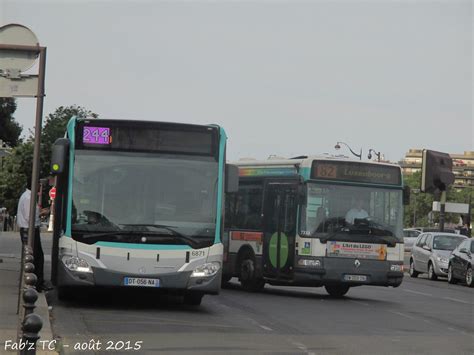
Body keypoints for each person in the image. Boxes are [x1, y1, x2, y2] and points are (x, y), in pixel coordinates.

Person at [17, 177, 51, 292]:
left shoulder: (28, 196)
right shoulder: (28, 197)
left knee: (36, 256)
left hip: (30, 229)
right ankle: (37, 283)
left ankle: (37, 282)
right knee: (36, 257)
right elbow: (29, 216)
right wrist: (42, 212)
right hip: (29, 229)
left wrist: (40, 213)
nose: (39, 187)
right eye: (38, 184)